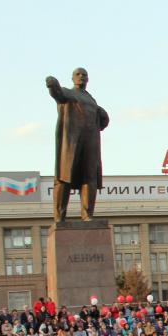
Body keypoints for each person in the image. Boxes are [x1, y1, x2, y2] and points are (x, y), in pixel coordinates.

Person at [46, 67, 109, 222]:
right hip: (72, 142)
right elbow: (57, 93)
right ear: (72, 78)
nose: (81, 76)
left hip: (90, 141)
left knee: (89, 178)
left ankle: (87, 215)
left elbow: (102, 121)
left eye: (84, 75)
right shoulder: (69, 93)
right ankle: (59, 217)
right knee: (64, 177)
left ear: (88, 79)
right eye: (78, 74)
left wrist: (103, 115)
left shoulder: (91, 100)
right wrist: (52, 84)